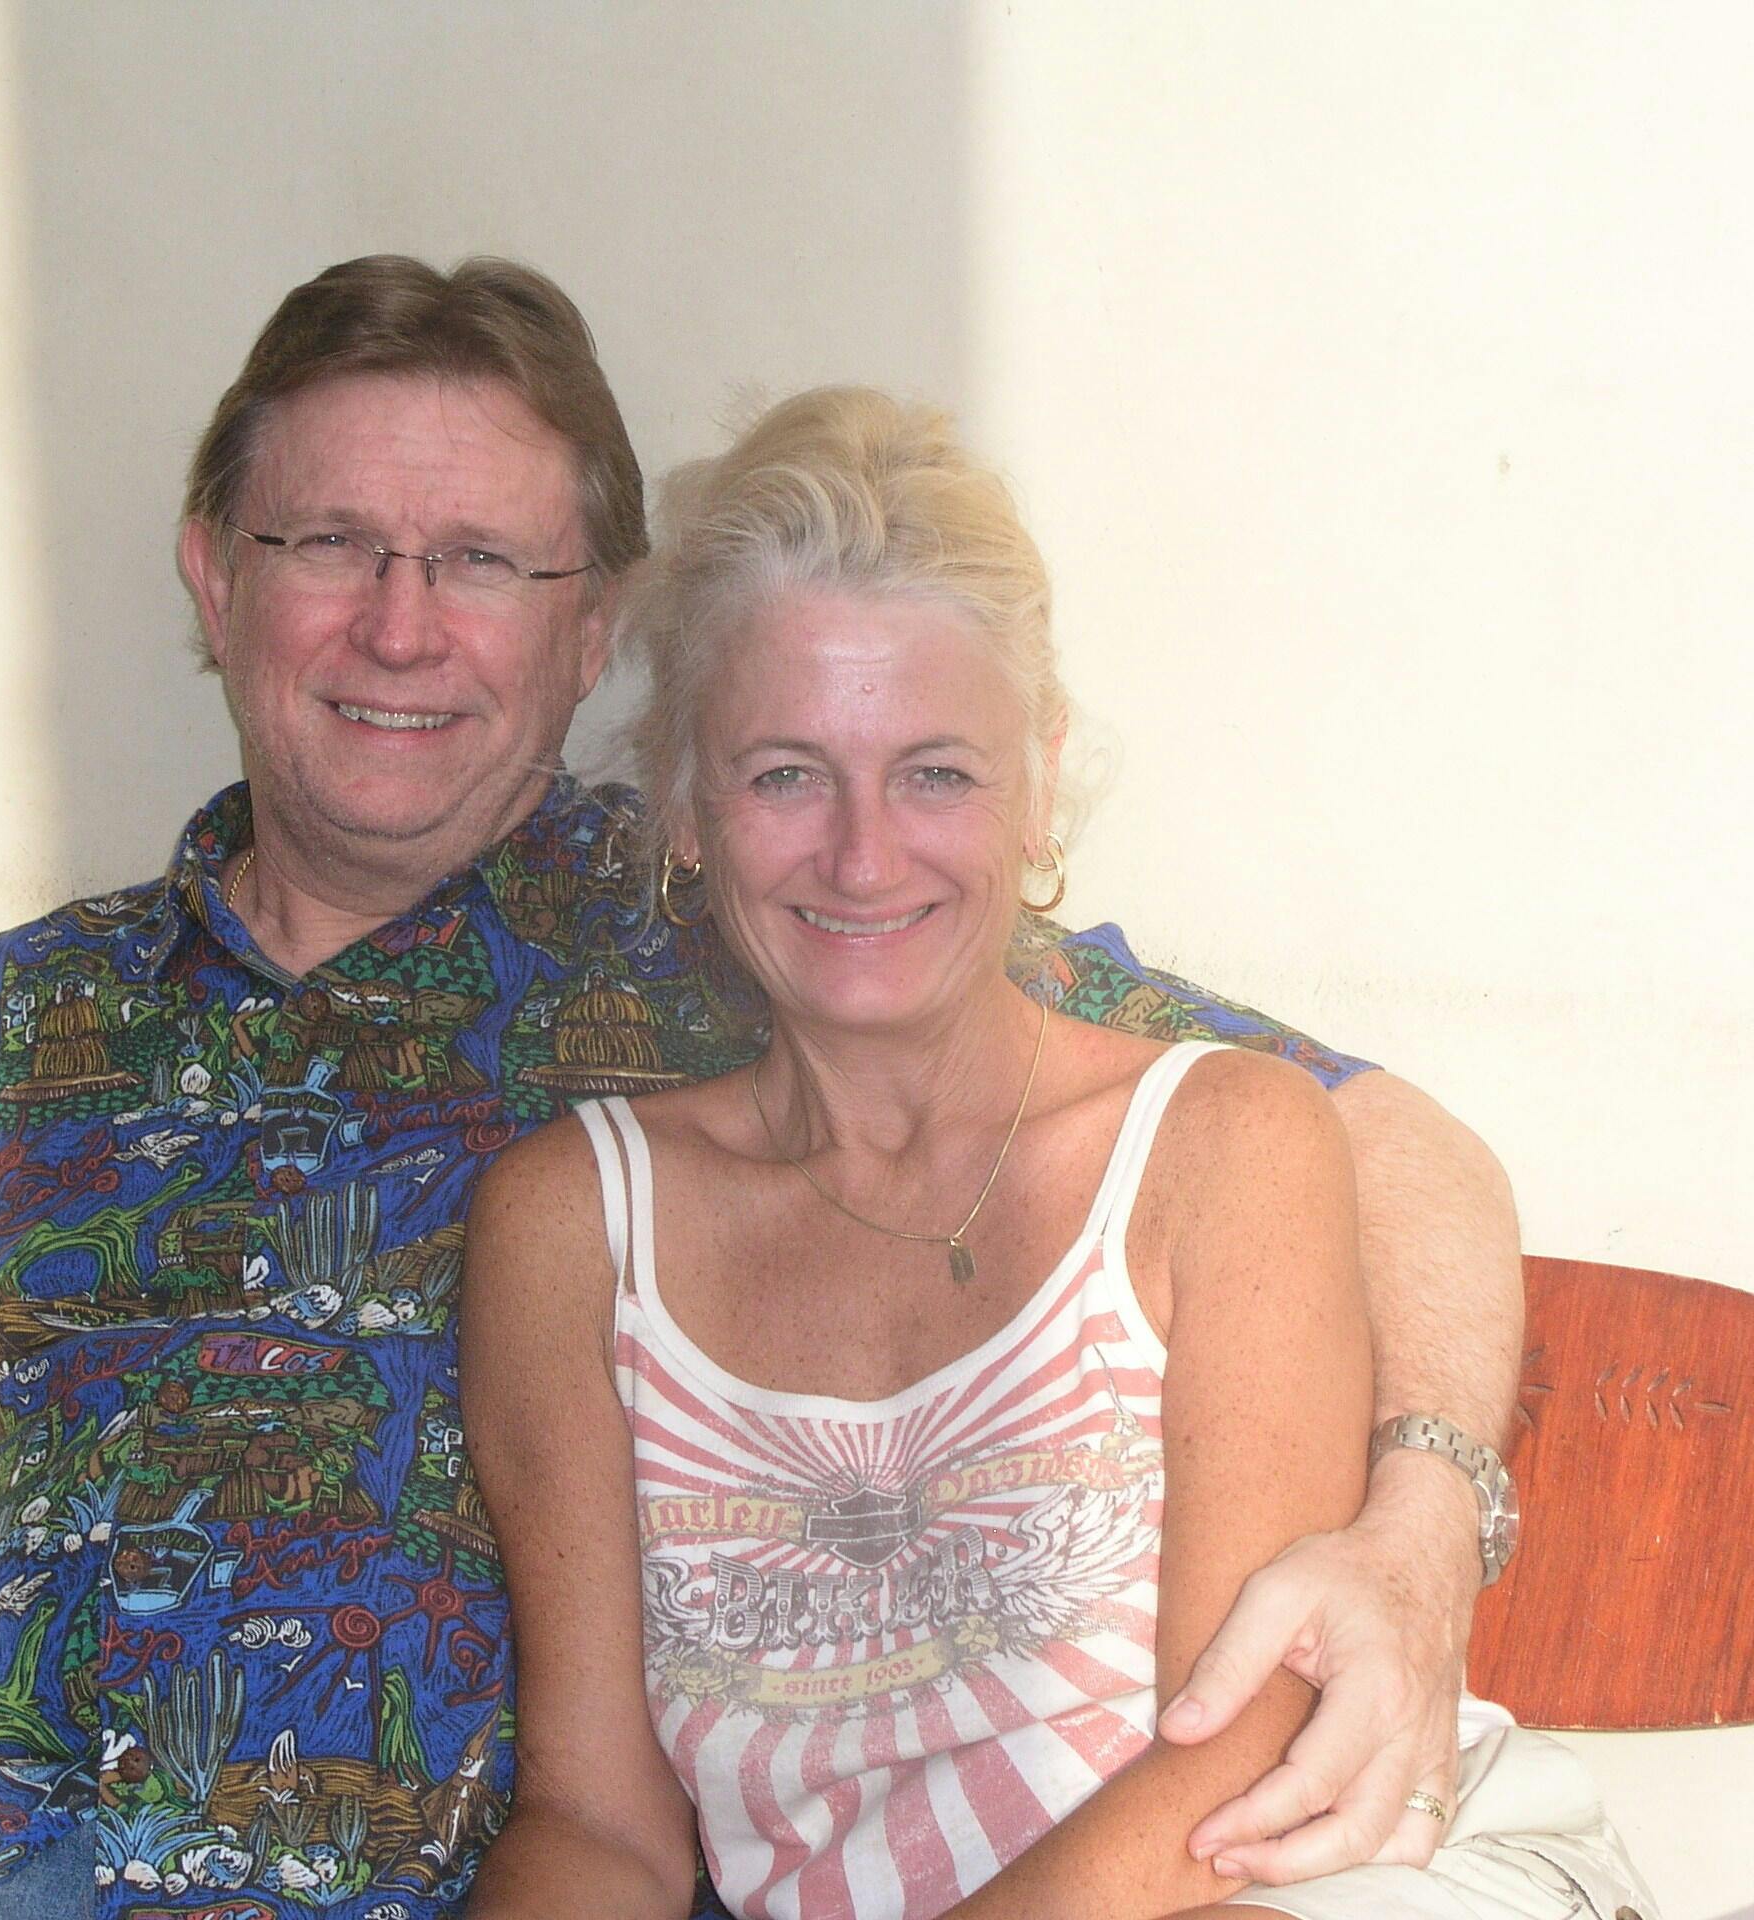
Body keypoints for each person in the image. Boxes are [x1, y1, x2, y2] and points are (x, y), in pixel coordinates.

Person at [0, 260, 1520, 1920]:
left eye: (481, 561)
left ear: (595, 633)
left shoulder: (762, 921)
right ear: (215, 577)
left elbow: (1368, 1153)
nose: (398, 626)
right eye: (328, 545)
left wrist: (1421, 1524)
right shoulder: (5, 1037)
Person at [460, 386, 1652, 1920]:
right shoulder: (572, 1225)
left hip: (1323, 1876)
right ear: (687, 804)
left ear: (1038, 787)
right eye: (785, 774)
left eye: (937, 773)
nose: (863, 854)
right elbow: (601, 1831)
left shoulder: (1221, 1144)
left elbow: (1235, 1759)